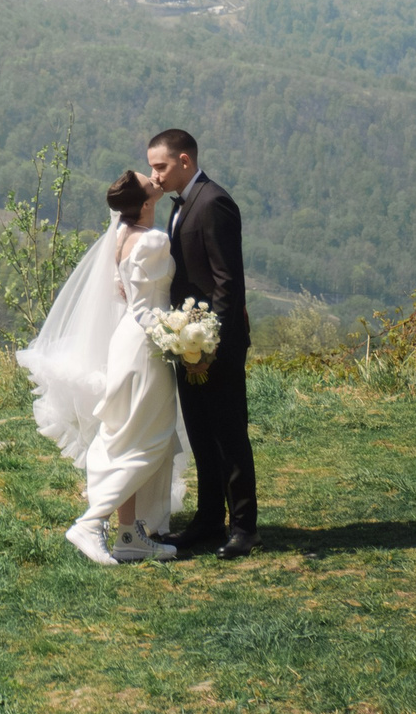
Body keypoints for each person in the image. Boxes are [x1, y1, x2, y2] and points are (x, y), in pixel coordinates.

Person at [15, 170, 188, 565]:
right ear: (145, 204)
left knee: (127, 434)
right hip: (147, 345)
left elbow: (121, 293)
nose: (154, 179)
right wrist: (182, 333)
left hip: (129, 339)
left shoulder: (121, 237)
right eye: (150, 181)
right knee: (149, 439)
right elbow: (152, 303)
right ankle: (91, 523)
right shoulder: (154, 239)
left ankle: (129, 535)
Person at [145, 127, 258, 559]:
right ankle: (209, 520)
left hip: (215, 346)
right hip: (186, 343)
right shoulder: (182, 204)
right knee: (200, 434)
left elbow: (229, 283)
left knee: (229, 436)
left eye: (161, 166)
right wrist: (183, 341)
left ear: (185, 162)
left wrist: (212, 345)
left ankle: (244, 528)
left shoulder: (214, 203)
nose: (155, 176)